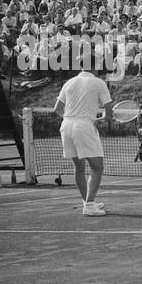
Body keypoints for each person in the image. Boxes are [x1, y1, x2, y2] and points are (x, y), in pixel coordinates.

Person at [52, 63, 114, 216]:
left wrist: (75, 118)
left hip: (66, 125)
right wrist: (103, 118)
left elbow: (57, 110)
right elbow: (109, 111)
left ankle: (88, 201)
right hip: (83, 127)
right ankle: (90, 205)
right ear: (96, 68)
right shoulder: (99, 83)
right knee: (97, 167)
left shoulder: (69, 82)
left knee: (79, 167)